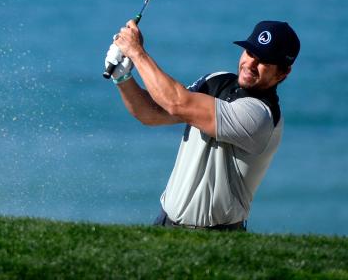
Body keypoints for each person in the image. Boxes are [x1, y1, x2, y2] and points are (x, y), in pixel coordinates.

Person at [106, 19, 300, 231]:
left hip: (215, 235)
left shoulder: (260, 116)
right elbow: (152, 114)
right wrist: (123, 76)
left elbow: (177, 102)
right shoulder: (218, 81)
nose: (251, 64)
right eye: (250, 53)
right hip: (164, 222)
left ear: (283, 73)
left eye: (264, 61)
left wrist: (137, 52)